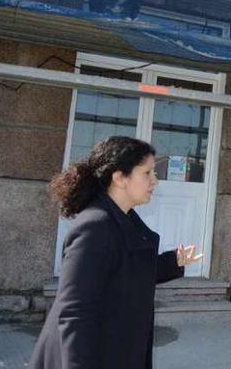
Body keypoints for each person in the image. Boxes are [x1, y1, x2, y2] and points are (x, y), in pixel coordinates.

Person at [30, 136, 202, 369]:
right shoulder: (95, 227)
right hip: (95, 355)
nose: (155, 181)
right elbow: (75, 312)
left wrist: (173, 261)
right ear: (120, 177)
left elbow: (125, 274)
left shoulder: (123, 219)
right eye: (147, 173)